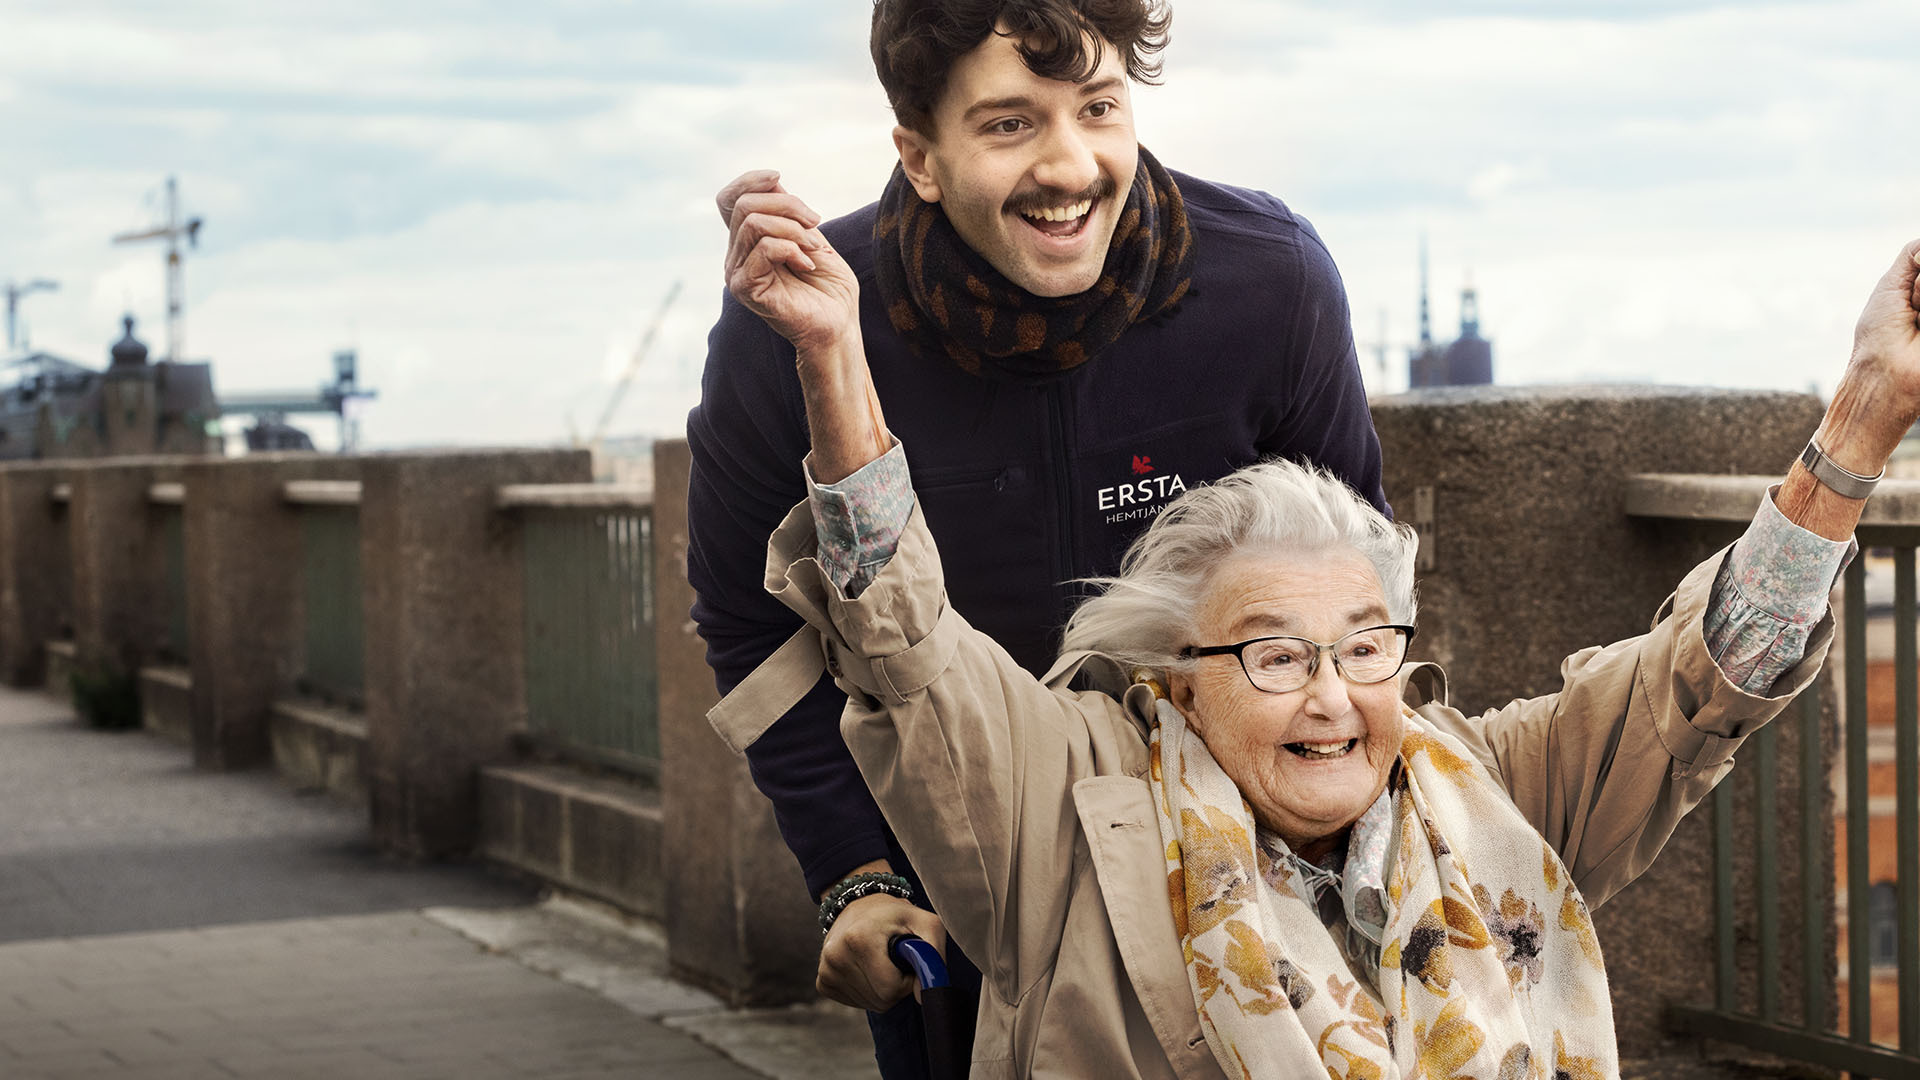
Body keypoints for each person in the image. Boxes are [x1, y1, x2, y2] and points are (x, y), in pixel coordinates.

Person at [708, 239, 1920, 1076]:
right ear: (1179, 676)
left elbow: (1706, 674)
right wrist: (831, 359)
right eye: (1278, 656)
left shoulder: (1486, 787)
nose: (1335, 697)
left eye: (1365, 649)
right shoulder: (1071, 813)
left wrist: (1870, 401)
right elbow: (904, 646)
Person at [686, 0, 1385, 1068]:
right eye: (1010, 124)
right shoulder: (803, 323)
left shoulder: (1270, 284)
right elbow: (755, 628)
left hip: (1239, 870)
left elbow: (1358, 592)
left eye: (1098, 108)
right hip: (956, 892)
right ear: (919, 156)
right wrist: (854, 878)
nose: (1070, 165)